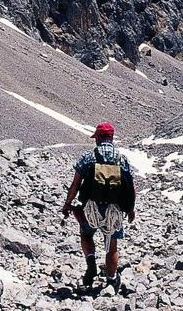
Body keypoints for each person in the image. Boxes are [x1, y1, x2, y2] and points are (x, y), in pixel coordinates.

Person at [61, 122, 136, 290]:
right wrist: (130, 209)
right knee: (111, 246)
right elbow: (130, 187)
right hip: (114, 211)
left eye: (96, 137)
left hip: (90, 208)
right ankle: (111, 279)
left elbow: (75, 184)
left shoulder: (89, 157)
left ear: (100, 137)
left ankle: (91, 265)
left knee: (86, 235)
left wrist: (67, 204)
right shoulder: (122, 159)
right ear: (111, 137)